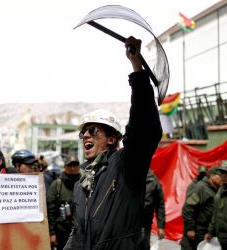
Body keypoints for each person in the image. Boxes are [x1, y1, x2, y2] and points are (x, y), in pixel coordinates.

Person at [64, 36, 162, 249]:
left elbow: (144, 128)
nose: (86, 137)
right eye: (83, 134)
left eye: (92, 130)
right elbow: (78, 234)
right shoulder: (82, 185)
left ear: (112, 139)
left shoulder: (126, 166)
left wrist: (137, 68)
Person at [181, 166, 222, 250]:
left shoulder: (217, 190)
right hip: (195, 231)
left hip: (205, 231)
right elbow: (188, 208)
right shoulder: (201, 187)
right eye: (220, 176)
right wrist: (190, 229)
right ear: (212, 176)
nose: (222, 178)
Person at [47, 156, 82, 250]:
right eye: (70, 165)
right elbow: (50, 212)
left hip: (81, 232)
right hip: (61, 232)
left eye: (75, 165)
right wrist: (52, 233)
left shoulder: (84, 183)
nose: (73, 168)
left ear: (79, 167)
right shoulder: (57, 185)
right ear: (65, 167)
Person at [143, 169, 165, 249]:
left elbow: (160, 205)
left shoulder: (153, 180)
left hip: (145, 223)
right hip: (128, 222)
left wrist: (161, 227)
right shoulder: (130, 175)